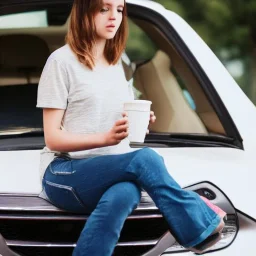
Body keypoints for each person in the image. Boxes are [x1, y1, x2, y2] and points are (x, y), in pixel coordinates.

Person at [36, 0, 226, 255]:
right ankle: (199, 224)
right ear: (83, 11)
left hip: (110, 169)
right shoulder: (60, 62)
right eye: (104, 9)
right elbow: (53, 138)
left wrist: (139, 122)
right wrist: (105, 138)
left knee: (125, 194)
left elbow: (114, 118)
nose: (114, 17)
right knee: (146, 158)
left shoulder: (115, 64)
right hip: (63, 174)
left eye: (119, 9)